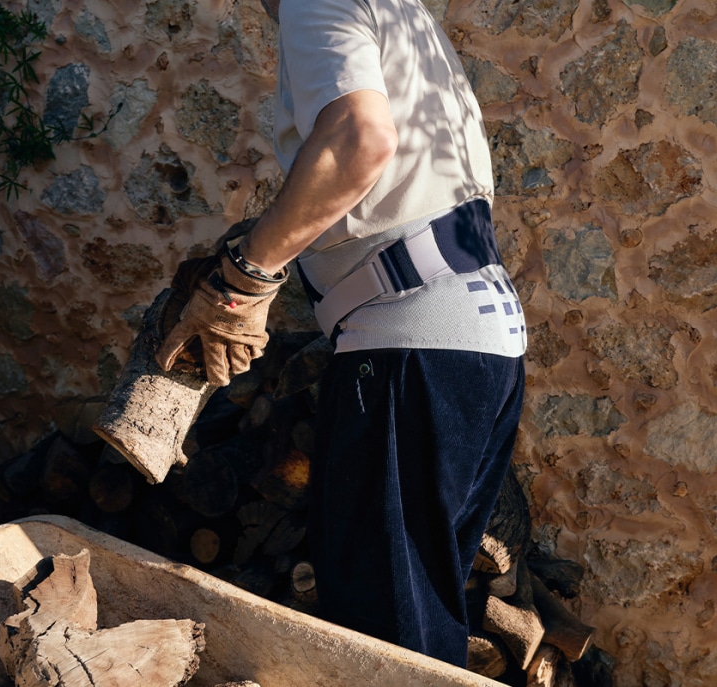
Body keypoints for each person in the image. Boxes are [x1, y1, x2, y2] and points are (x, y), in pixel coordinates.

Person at [157, 0, 526, 667]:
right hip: (477, 343)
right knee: (420, 630)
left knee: (384, 643)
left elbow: (360, 140)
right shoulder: (400, 12)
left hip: (411, 341)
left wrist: (244, 279)